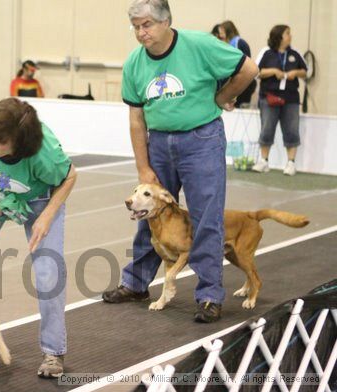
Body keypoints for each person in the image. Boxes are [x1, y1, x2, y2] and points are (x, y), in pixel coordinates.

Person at [102, 0, 258, 323]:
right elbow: (135, 120)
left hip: (201, 141)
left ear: (166, 22)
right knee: (148, 214)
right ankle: (135, 283)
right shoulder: (134, 63)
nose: (141, 33)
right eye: (136, 27)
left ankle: (209, 296)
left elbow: (249, 69)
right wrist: (143, 168)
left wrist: (224, 96)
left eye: (146, 25)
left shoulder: (199, 45)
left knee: (206, 219)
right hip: (158, 142)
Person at [0, 97, 77, 377]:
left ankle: (53, 352)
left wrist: (46, 216)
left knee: (49, 272)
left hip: (40, 197)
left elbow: (70, 177)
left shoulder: (45, 155)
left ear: (19, 144)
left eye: (0, 142)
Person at [252, 25, 307, 176]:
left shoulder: (295, 54)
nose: (290, 36)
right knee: (267, 128)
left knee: (291, 129)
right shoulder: (266, 52)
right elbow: (255, 71)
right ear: (279, 36)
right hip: (269, 96)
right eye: (287, 33)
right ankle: (264, 161)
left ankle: (291, 163)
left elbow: (305, 71)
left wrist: (295, 72)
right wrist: (273, 71)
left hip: (290, 98)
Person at [220, 20, 257, 107]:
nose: (220, 35)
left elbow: (235, 65)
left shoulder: (236, 43)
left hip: (243, 83)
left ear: (227, 31)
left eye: (222, 32)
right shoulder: (232, 42)